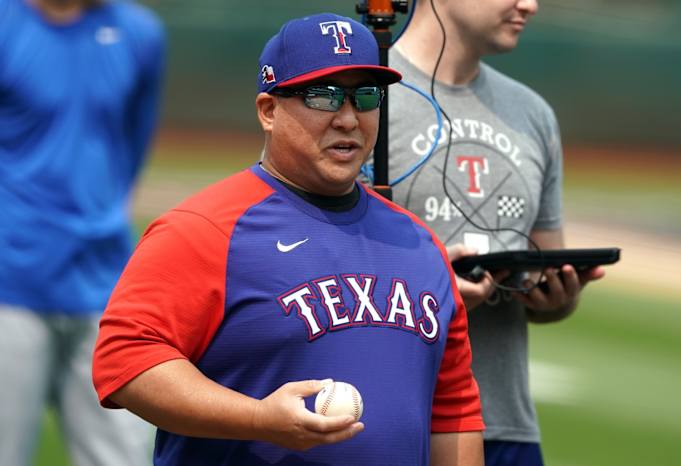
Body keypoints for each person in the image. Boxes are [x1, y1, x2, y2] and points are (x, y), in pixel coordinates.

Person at [92, 12, 485, 466]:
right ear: (269, 111)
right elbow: (124, 361)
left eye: (365, 96)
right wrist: (257, 418)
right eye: (323, 96)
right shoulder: (203, 228)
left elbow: (453, 409)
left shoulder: (418, 244)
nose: (348, 118)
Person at [386, 1, 605, 464]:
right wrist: (431, 291)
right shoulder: (365, 94)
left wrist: (557, 298)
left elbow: (546, 270)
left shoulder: (533, 114)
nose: (530, 4)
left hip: (506, 428)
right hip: (389, 424)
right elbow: (308, 268)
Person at [0, 0, 165, 465]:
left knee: (124, 458)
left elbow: (133, 142)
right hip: (9, 281)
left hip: (106, 280)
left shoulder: (139, 33)